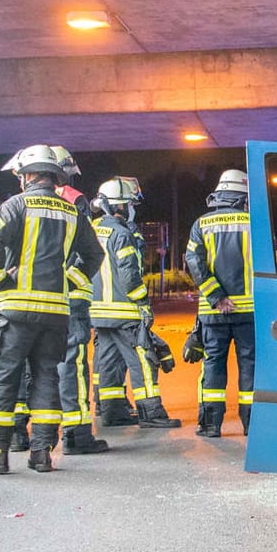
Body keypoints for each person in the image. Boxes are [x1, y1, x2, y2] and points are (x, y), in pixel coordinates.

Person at [0, 144, 103, 474]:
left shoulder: (14, 206)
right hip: (55, 313)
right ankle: (41, 453)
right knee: (46, 379)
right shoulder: (73, 212)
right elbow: (95, 255)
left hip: (14, 311)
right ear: (54, 176)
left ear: (28, 176)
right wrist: (69, 279)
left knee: (4, 378)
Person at [91, 176, 181, 432]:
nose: (133, 209)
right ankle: (151, 410)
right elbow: (129, 274)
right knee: (143, 358)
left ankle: (113, 410)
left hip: (98, 312)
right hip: (123, 309)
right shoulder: (122, 234)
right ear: (121, 206)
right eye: (131, 204)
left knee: (108, 360)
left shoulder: (91, 229)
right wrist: (142, 302)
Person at [49, 146, 112, 451]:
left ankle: (29, 435)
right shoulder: (75, 200)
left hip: (32, 298)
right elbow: (87, 251)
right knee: (72, 363)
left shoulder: (20, 203)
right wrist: (73, 280)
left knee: (34, 363)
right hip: (70, 298)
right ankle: (76, 434)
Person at [185, 169, 254, 437]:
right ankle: (251, 424)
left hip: (213, 314)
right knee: (250, 367)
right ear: (241, 197)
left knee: (213, 365)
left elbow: (194, 263)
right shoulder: (254, 223)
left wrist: (216, 297)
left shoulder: (201, 224)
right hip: (249, 311)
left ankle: (210, 424)